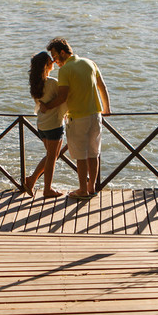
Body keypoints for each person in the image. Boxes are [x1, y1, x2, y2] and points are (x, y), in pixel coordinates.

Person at [38, 37, 110, 199]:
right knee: (93, 153)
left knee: (81, 155)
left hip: (77, 117)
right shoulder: (89, 63)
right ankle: (91, 187)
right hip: (96, 115)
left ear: (63, 52)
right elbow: (102, 86)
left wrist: (47, 106)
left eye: (55, 57)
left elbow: (62, 97)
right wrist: (107, 108)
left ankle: (82, 190)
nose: (55, 61)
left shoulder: (65, 70)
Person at [23, 51, 66, 197]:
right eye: (50, 61)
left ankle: (31, 179)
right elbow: (63, 99)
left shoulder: (35, 85)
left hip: (42, 125)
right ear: (46, 66)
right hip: (54, 125)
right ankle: (47, 189)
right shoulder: (53, 83)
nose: (53, 62)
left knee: (50, 156)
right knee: (52, 158)